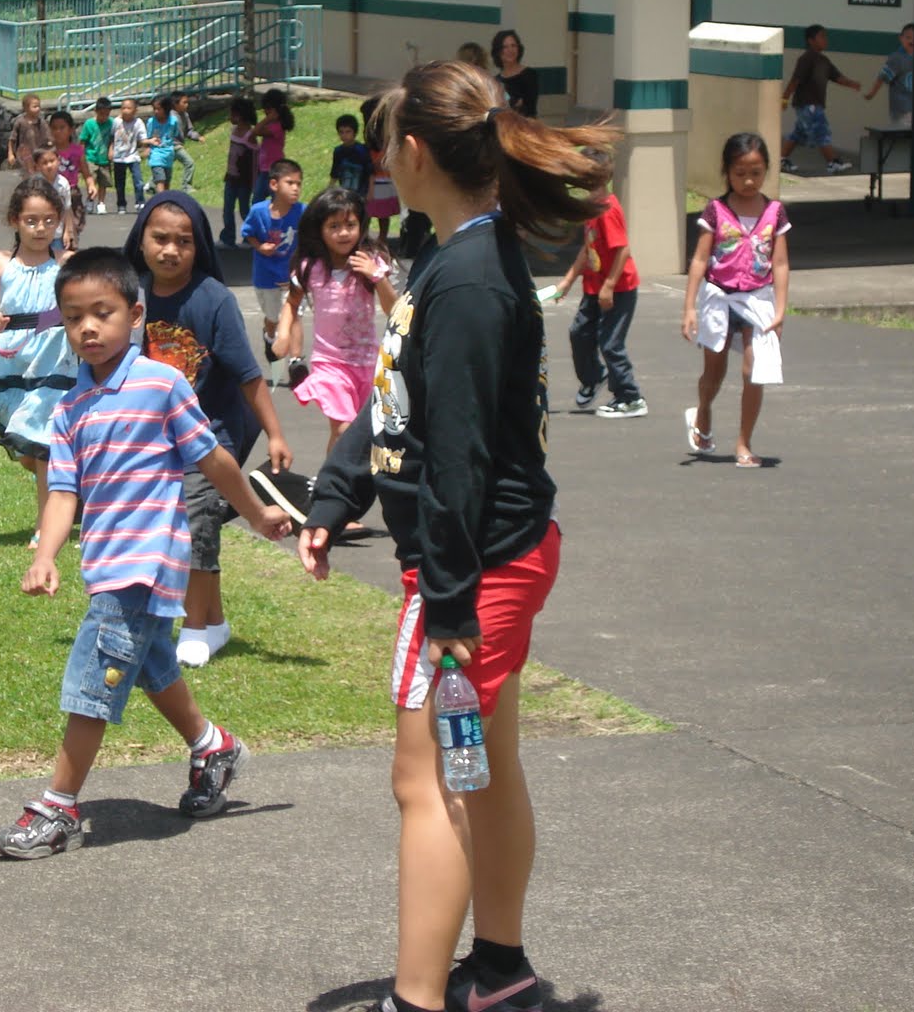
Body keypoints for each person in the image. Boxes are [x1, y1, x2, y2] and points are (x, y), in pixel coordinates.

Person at [297, 60, 615, 1012]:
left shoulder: (470, 274)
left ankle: (419, 998)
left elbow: (463, 457)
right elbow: (399, 401)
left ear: (417, 153)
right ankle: (501, 970)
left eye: (388, 139)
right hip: (491, 563)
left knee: (424, 780)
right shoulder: (453, 254)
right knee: (479, 764)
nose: (381, 156)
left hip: (475, 570)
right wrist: (332, 497)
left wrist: (445, 605)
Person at [0, 247, 292, 860]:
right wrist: (45, 554)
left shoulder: (163, 384)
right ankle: (213, 747)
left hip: (148, 562)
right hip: (105, 563)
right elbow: (61, 491)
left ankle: (58, 805)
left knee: (91, 680)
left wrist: (259, 513)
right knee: (152, 664)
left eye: (102, 313)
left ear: (135, 316)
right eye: (74, 318)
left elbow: (212, 458)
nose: (88, 329)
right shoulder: (70, 409)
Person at [124, 191, 293, 668]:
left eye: (184, 241)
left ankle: (195, 628)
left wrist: (275, 434)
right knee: (176, 527)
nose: (170, 250)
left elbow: (248, 375)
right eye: (160, 239)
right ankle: (214, 621)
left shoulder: (213, 299)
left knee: (195, 520)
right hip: (156, 438)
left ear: (199, 248)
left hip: (210, 435)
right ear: (141, 241)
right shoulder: (131, 294)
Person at [0, 177, 76, 548]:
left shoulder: (67, 263)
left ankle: (46, 527)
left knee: (43, 447)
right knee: (29, 450)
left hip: (55, 365)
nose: (41, 229)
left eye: (49, 221)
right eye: (32, 221)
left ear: (60, 221)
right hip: (14, 365)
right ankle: (70, 492)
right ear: (14, 220)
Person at [681, 131, 789, 469]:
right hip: (719, 297)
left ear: (767, 170)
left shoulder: (775, 212)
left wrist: (781, 310)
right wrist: (689, 307)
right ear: (727, 171)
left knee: (754, 369)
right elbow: (700, 260)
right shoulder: (715, 211)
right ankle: (703, 410)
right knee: (714, 372)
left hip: (758, 299)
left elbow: (780, 264)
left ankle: (744, 442)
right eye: (740, 172)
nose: (748, 180)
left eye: (756, 172)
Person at [276, 186, 396, 454]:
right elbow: (292, 303)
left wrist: (377, 276)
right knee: (344, 428)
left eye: (350, 225)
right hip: (330, 364)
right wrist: (282, 335)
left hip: (367, 363)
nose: (343, 233)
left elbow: (393, 309)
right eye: (334, 226)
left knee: (361, 434)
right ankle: (333, 486)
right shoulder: (311, 268)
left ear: (361, 225)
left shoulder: (370, 261)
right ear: (319, 229)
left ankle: (339, 482)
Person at [549, 153, 647, 419]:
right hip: (594, 287)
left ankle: (630, 398)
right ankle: (593, 377)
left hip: (618, 289)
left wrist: (610, 286)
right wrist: (568, 281)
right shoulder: (592, 209)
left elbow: (623, 250)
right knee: (579, 332)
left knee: (610, 343)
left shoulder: (607, 209)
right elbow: (588, 247)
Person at [241, 158, 306, 385]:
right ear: (274, 185)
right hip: (266, 276)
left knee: (294, 315)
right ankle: (269, 336)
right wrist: (260, 246)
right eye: (290, 183)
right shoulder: (259, 211)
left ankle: (296, 361)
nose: (296, 188)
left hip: (292, 275)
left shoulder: (302, 211)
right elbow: (248, 232)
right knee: (273, 319)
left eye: (299, 183)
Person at [780, 24, 859, 174]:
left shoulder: (824, 61)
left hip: (816, 104)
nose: (825, 40)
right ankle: (832, 162)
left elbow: (837, 77)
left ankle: (781, 159)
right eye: (821, 36)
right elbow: (795, 80)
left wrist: (852, 84)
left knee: (799, 134)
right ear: (811, 40)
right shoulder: (806, 59)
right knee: (821, 131)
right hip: (808, 104)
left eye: (825, 36)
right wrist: (785, 98)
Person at [863, 22, 914, 130]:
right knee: (903, 136)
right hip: (901, 109)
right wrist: (872, 93)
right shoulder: (896, 58)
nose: (912, 41)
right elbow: (882, 77)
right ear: (901, 38)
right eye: (908, 37)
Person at [362, 95, 406, 251]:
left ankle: (381, 238)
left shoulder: (384, 135)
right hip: (376, 178)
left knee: (381, 211)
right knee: (369, 210)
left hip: (383, 178)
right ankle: (369, 237)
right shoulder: (374, 135)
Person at [50, 109, 92, 249]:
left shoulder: (77, 150)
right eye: (54, 128)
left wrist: (90, 184)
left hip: (72, 193)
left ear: (70, 130)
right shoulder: (49, 151)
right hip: (52, 192)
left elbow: (85, 170)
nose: (58, 132)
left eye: (62, 128)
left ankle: (71, 250)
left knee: (74, 224)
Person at [221, 96, 258, 248]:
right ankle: (228, 237)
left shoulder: (250, 135)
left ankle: (250, 236)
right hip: (231, 176)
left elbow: (254, 161)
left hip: (244, 180)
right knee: (227, 208)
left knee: (244, 210)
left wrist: (254, 182)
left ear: (240, 115)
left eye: (232, 114)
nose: (230, 117)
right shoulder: (234, 130)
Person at [252, 88, 293, 205]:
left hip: (274, 171)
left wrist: (268, 119)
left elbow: (255, 131)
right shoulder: (271, 125)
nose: (265, 111)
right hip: (264, 170)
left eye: (268, 109)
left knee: (277, 202)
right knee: (256, 201)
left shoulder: (277, 127)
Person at [110, 97, 149, 215]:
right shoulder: (116, 122)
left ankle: (140, 202)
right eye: (123, 108)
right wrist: (110, 149)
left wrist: (147, 147)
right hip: (118, 157)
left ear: (135, 110)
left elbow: (143, 139)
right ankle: (121, 204)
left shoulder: (138, 123)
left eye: (129, 108)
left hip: (133, 156)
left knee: (138, 181)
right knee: (120, 183)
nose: (126, 111)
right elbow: (111, 137)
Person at [78, 97, 114, 217]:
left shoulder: (111, 123)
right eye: (102, 114)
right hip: (91, 157)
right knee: (91, 180)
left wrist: (111, 150)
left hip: (104, 158)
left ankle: (101, 203)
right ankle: (90, 200)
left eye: (107, 114)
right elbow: (83, 141)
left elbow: (113, 139)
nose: (104, 117)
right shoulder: (89, 124)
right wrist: (80, 157)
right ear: (96, 111)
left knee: (103, 182)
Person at [491, 29, 538, 118]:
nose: (510, 50)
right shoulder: (495, 81)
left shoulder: (529, 74)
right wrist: (515, 103)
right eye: (505, 47)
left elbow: (529, 110)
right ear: (498, 51)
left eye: (513, 45)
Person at [7, 93, 53, 175]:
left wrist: (50, 143)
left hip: (39, 154)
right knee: (28, 176)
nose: (38, 109)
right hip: (25, 156)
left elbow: (48, 136)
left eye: (39, 106)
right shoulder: (20, 123)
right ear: (26, 108)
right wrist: (11, 154)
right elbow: (12, 139)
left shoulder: (42, 123)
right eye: (35, 107)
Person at [330, 113, 373, 199]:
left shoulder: (363, 150)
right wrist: (329, 189)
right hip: (345, 193)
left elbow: (370, 173)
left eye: (348, 132)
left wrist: (370, 192)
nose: (344, 135)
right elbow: (334, 173)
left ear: (355, 132)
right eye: (341, 132)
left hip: (361, 193)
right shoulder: (338, 151)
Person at [145, 94, 178, 193]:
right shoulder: (152, 122)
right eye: (154, 109)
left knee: (167, 182)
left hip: (168, 155)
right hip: (156, 155)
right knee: (160, 180)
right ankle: (161, 201)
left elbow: (175, 134)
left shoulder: (173, 121)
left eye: (159, 109)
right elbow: (148, 137)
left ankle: (165, 200)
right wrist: (148, 146)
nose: (156, 111)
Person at [171, 90, 200, 190]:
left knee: (165, 167)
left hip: (178, 145)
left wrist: (197, 137)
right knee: (189, 163)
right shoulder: (170, 117)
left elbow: (189, 131)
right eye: (184, 102)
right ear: (175, 104)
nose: (187, 105)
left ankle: (151, 185)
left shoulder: (185, 115)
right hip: (172, 146)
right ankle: (186, 186)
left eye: (187, 102)